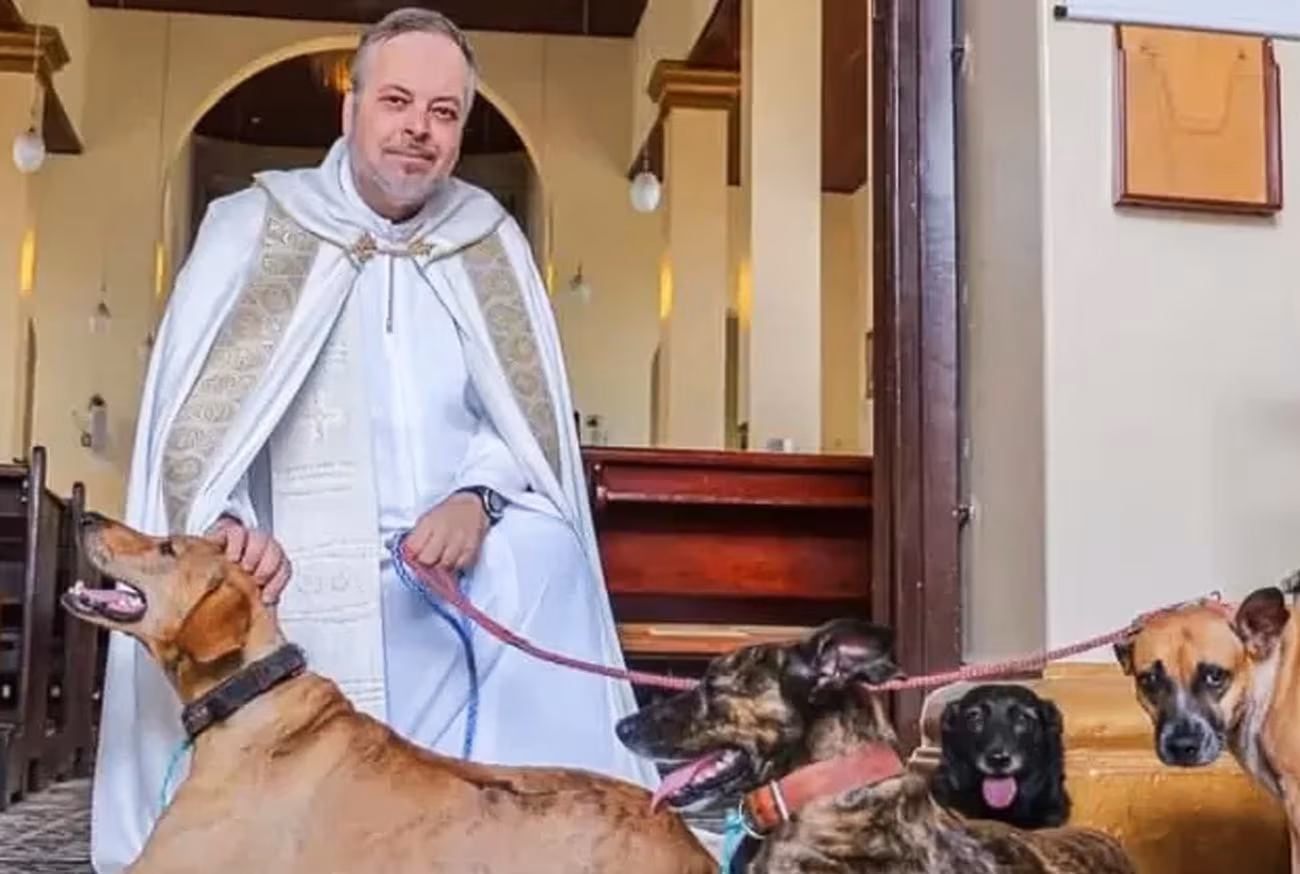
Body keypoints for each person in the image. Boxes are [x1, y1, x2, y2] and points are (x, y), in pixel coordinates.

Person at [91, 9, 661, 872]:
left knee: (547, 553)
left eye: (444, 112)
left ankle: (529, 837)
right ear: (351, 108)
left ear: (461, 130)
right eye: (397, 101)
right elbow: (197, 435)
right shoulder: (255, 225)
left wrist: (477, 498)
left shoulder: (488, 241)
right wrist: (233, 527)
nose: (418, 128)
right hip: (297, 552)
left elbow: (523, 423)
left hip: (447, 549)